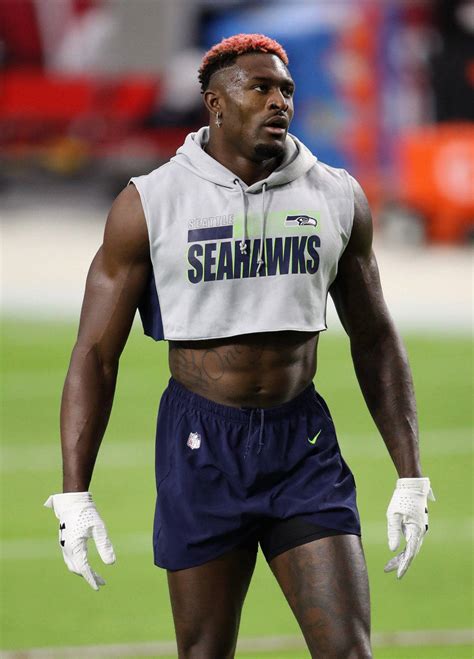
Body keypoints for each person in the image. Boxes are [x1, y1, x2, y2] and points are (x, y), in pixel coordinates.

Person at [45, 34, 434, 658]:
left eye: (286, 90)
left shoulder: (336, 195)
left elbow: (376, 337)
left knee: (348, 651)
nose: (280, 101)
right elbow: (95, 354)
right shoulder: (151, 202)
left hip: (301, 442)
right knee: (205, 652)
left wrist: (410, 474)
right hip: (200, 444)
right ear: (216, 104)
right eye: (260, 88)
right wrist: (74, 492)